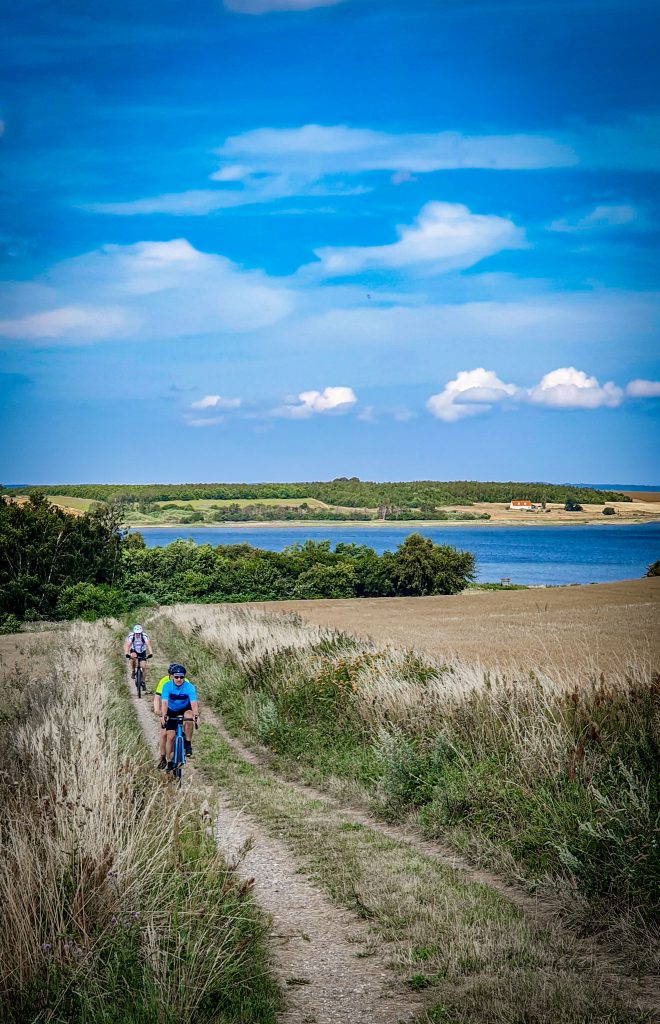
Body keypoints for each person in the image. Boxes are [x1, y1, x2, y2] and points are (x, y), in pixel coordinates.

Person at [160, 664, 199, 772]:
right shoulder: (167, 686)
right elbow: (164, 702)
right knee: (170, 737)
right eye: (176, 677)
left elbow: (194, 703)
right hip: (171, 710)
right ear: (172, 676)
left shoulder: (189, 687)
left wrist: (196, 715)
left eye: (181, 677)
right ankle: (169, 761)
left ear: (184, 677)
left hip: (184, 709)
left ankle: (188, 742)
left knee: (189, 716)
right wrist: (163, 715)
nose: (179, 679)